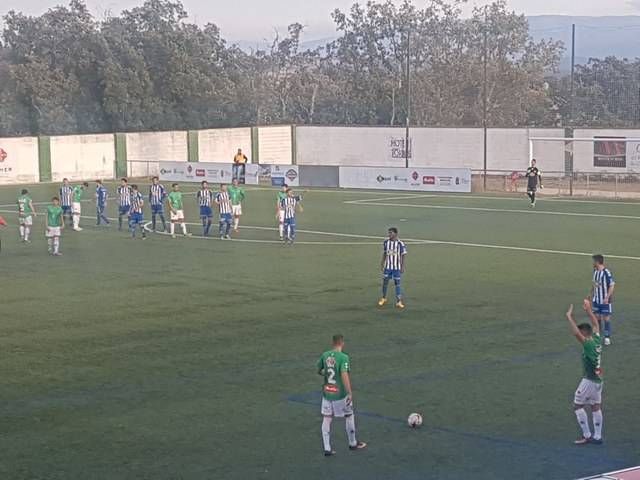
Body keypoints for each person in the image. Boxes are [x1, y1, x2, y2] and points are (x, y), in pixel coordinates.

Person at [317, 334, 367, 457]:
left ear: (333, 343)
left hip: (327, 392)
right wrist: (349, 392)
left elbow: (319, 370)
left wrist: (327, 375)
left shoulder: (325, 355)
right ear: (342, 343)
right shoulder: (344, 357)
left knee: (327, 418)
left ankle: (327, 448)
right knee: (349, 415)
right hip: (340, 394)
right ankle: (352, 443)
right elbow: (344, 375)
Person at [564, 301, 604, 445]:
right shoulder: (597, 340)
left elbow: (576, 333)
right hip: (599, 380)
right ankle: (598, 437)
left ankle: (587, 435)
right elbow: (596, 324)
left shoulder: (588, 344)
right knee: (595, 406)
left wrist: (569, 317)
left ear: (584, 333)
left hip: (589, 380)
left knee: (578, 405)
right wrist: (588, 310)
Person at [378, 227, 407, 309]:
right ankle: (384, 298)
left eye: (391, 233)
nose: (389, 234)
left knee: (397, 283)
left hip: (396, 268)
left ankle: (399, 301)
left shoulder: (400, 243)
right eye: (389, 233)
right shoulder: (386, 242)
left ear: (395, 233)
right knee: (385, 282)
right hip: (388, 267)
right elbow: (385, 253)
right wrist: (382, 263)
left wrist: (402, 266)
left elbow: (403, 255)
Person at [590, 255, 616, 346]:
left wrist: (607, 297)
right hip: (596, 300)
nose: (592, 263)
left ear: (597, 262)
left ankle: (607, 337)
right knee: (597, 319)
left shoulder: (606, 272)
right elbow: (594, 284)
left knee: (606, 319)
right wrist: (590, 294)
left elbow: (612, 285)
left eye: (593, 261)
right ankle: (598, 336)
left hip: (605, 300)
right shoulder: (595, 271)